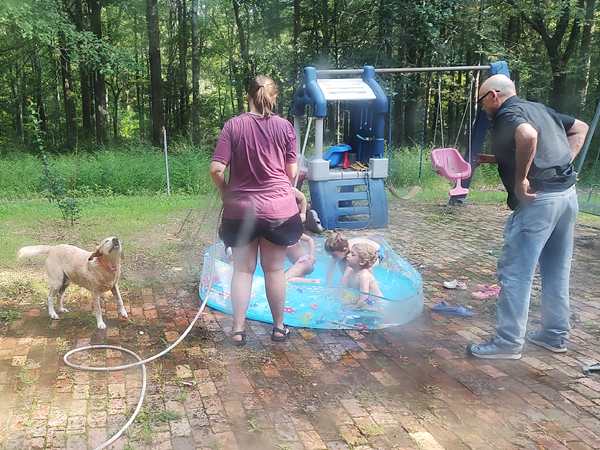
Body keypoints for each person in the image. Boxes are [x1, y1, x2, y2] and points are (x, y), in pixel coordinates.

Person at [466, 74, 589, 360]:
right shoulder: (538, 108)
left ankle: (507, 343)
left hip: (538, 202)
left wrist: (522, 179)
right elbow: (579, 128)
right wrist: (560, 163)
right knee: (556, 270)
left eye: (482, 102)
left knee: (515, 273)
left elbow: (528, 136)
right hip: (566, 196)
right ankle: (554, 334)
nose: (483, 108)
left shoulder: (508, 113)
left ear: (494, 96)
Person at [209, 75, 302, 346]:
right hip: (279, 210)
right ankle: (279, 328)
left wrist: (226, 191)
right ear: (274, 97)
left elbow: (216, 169)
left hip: (240, 211)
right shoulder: (285, 127)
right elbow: (291, 172)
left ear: (247, 96)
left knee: (242, 271)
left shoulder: (233, 126)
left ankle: (238, 330)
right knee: (274, 270)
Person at [285, 188, 316, 280]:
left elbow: (310, 239)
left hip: (303, 262)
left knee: (283, 279)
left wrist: (311, 255)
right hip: (300, 263)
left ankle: (313, 281)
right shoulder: (287, 234)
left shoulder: (292, 233)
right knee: (282, 277)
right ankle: (304, 280)